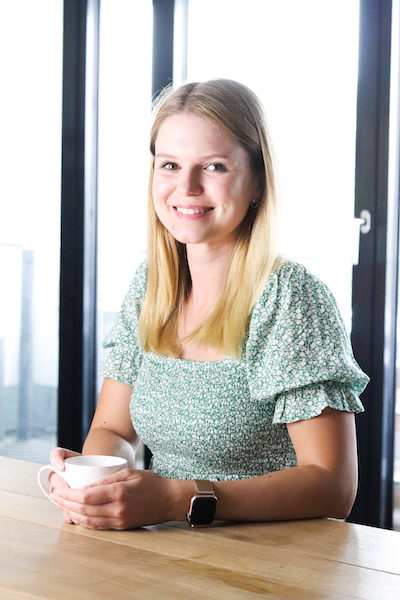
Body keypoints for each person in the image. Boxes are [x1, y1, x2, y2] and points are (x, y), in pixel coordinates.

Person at [49, 79, 369, 530]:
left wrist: (178, 499)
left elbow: (333, 486)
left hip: (271, 558)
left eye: (215, 166)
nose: (187, 186)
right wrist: (98, 481)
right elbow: (113, 430)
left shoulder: (291, 298)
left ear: (257, 181)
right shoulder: (151, 285)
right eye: (170, 165)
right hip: (165, 549)